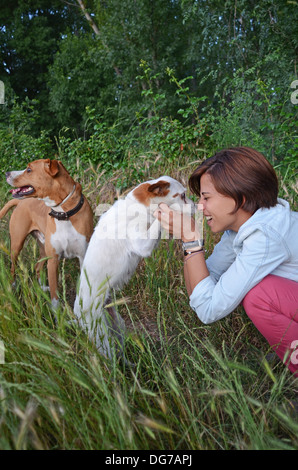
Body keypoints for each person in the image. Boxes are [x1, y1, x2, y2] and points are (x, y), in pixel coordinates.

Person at [154, 147, 298, 376]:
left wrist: (192, 240)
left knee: (259, 296)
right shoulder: (242, 227)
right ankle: (288, 349)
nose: (200, 206)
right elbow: (201, 285)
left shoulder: (266, 235)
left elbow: (208, 309)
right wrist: (188, 241)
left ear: (239, 198)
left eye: (206, 197)